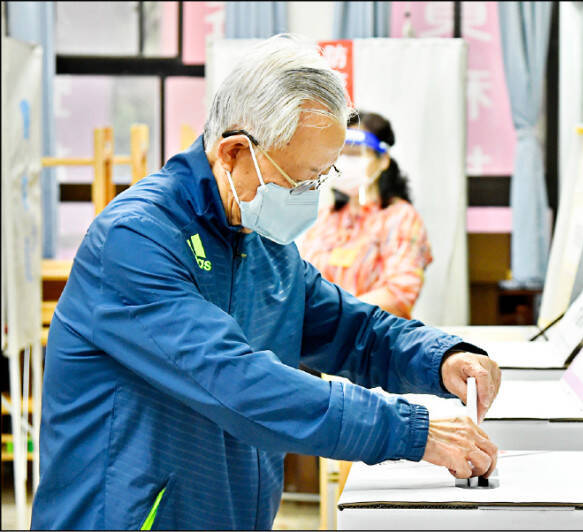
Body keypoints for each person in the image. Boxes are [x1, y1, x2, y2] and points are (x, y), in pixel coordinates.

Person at [31, 34, 501, 530]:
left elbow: (351, 330)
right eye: (298, 181)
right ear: (234, 152)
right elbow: (236, 381)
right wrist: (411, 431)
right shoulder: (136, 239)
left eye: (320, 179)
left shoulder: (261, 240)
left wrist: (439, 357)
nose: (309, 196)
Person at [301, 111, 431, 319]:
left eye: (354, 154)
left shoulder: (401, 218)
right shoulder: (324, 218)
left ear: (383, 160)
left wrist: (335, 315)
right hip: (320, 335)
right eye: (339, 154)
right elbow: (302, 284)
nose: (344, 163)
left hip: (375, 335)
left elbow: (399, 295)